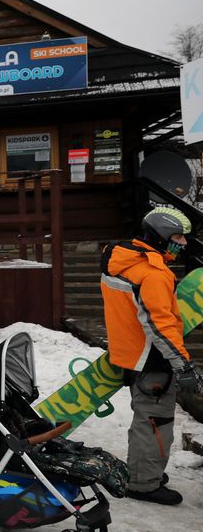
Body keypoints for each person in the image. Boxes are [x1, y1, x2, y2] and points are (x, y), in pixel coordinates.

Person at [101, 205, 199, 505]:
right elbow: (160, 325)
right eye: (178, 237)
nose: (183, 244)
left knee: (145, 419)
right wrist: (182, 364)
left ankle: (143, 470)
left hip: (131, 355)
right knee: (156, 422)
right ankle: (143, 484)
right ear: (161, 235)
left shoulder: (122, 261)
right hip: (153, 360)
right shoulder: (153, 273)